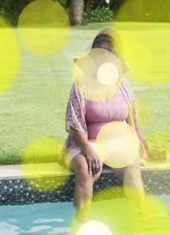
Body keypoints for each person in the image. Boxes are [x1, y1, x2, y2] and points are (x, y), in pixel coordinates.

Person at [62, 27, 148, 217]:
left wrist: (140, 146)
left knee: (132, 163)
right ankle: (82, 221)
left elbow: (132, 121)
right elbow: (75, 125)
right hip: (84, 143)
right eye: (100, 52)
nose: (104, 57)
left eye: (109, 53)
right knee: (86, 170)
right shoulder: (81, 85)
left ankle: (142, 218)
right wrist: (89, 151)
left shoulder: (123, 86)